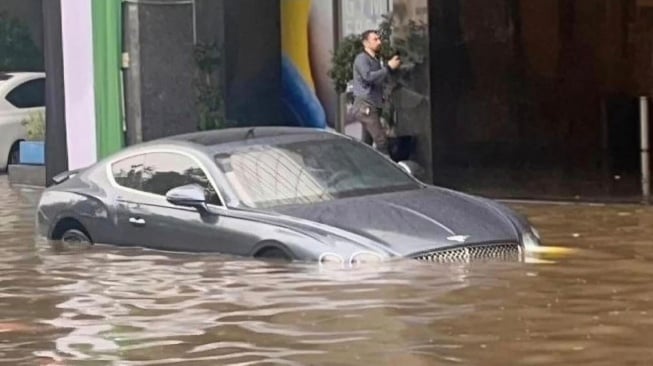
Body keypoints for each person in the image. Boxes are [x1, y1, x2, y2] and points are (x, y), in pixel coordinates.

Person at [350, 29, 401, 154]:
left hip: (373, 106)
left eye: (379, 39)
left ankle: (361, 168)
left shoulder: (375, 61)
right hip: (365, 106)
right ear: (365, 43)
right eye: (375, 39)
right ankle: (388, 171)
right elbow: (368, 77)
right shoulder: (362, 59)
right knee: (381, 140)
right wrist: (388, 67)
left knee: (366, 144)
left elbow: (380, 80)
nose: (379, 42)